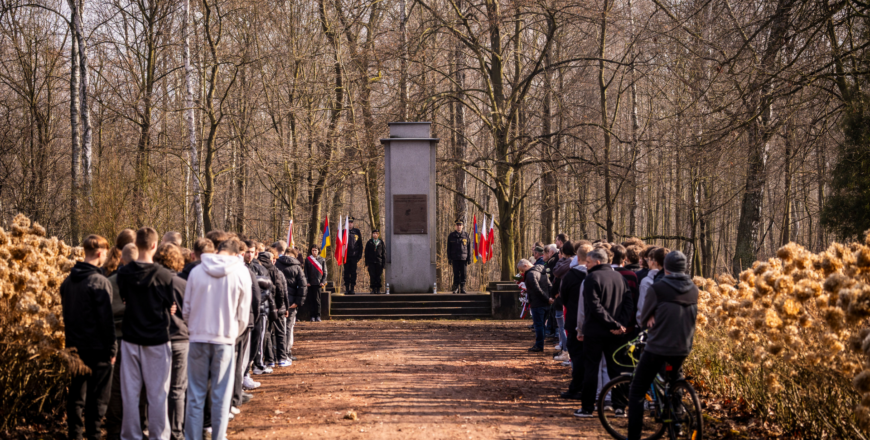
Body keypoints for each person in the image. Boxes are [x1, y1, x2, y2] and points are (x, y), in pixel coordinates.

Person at [183, 235, 252, 440]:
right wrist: (232, 333)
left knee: (195, 394)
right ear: (236, 254)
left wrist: (194, 328)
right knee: (221, 395)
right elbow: (243, 313)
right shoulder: (241, 273)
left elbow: (186, 309)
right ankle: (218, 436)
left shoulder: (196, 271)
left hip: (197, 338)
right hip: (225, 338)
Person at [627, 251, 698, 440]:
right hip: (683, 346)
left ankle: (634, 437)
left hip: (658, 346)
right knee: (675, 380)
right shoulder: (693, 289)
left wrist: (651, 315)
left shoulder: (658, 288)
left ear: (665, 267)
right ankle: (678, 422)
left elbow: (643, 317)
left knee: (637, 390)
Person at [117, 227, 176, 440]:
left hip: (131, 337)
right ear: (154, 246)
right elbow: (170, 304)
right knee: (158, 393)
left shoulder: (123, 273)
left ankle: (131, 436)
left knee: (130, 393)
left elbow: (125, 298)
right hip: (157, 339)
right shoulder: (164, 274)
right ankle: (158, 436)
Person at [61, 235, 115, 440]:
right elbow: (106, 320)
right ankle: (93, 436)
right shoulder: (99, 282)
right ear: (100, 253)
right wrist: (112, 349)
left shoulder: (68, 282)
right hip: (98, 350)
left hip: (74, 348)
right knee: (97, 399)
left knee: (76, 397)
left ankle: (74, 435)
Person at [574, 248, 635, 418]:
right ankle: (620, 406)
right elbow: (628, 304)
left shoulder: (591, 278)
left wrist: (614, 323)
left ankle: (587, 407)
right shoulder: (620, 278)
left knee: (591, 368)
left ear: (598, 262)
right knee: (616, 368)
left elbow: (594, 306)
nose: (586, 265)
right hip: (615, 332)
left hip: (595, 331)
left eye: (588, 262)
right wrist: (620, 324)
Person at [104, 244, 144, 440]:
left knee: (116, 388)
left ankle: (114, 430)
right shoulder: (144, 280)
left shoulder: (109, 282)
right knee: (140, 386)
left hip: (115, 338)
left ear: (121, 259)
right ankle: (139, 427)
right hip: (137, 338)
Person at [153, 243, 189, 440]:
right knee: (178, 388)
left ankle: (159, 430)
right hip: (181, 338)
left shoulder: (152, 282)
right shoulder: (183, 283)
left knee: (158, 388)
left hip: (159, 339)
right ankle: (176, 432)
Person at [558, 243, 591, 400]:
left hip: (573, 319)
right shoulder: (595, 275)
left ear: (577, 258)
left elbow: (563, 296)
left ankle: (577, 387)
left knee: (577, 356)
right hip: (593, 322)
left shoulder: (570, 276)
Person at [259, 248, 289, 366]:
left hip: (265, 307)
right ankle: (282, 358)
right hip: (277, 307)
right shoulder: (277, 272)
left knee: (268, 333)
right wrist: (282, 306)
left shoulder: (259, 271)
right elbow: (282, 291)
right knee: (280, 332)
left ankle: (269, 359)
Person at [277, 247, 306, 361]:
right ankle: (287, 351)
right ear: (294, 256)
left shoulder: (276, 265)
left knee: (279, 328)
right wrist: (298, 302)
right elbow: (303, 286)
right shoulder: (297, 268)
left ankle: (279, 352)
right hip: (291, 302)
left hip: (279, 302)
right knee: (289, 327)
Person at [518, 258, 551, 352]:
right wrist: (550, 298)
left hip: (538, 303)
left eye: (522, 270)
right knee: (542, 324)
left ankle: (539, 345)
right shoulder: (542, 271)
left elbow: (536, 289)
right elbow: (549, 285)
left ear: (525, 265)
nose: (522, 272)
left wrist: (547, 298)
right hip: (545, 303)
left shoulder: (530, 274)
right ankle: (540, 343)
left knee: (539, 325)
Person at [551, 242, 574, 360]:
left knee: (563, 327)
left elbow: (557, 275)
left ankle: (566, 351)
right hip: (563, 298)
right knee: (563, 327)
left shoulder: (568, 263)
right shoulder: (570, 263)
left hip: (565, 299)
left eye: (560, 252)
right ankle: (564, 349)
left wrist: (561, 259)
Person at [447, 220, 472, 294]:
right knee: (456, 274)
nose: (459, 226)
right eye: (457, 225)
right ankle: (456, 288)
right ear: (455, 226)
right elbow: (449, 248)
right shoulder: (451, 236)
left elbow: (469, 248)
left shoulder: (466, 235)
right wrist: (449, 258)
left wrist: (469, 258)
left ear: (462, 226)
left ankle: (463, 288)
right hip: (455, 258)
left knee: (464, 274)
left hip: (463, 259)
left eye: (460, 225)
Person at [304, 245, 327, 319]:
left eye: (315, 250)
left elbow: (325, 272)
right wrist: (307, 281)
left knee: (317, 300)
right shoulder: (308, 260)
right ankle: (312, 316)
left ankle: (318, 315)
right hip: (310, 283)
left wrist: (323, 281)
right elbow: (306, 272)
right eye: (313, 250)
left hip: (318, 283)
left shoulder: (322, 260)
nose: (314, 252)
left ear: (318, 251)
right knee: (311, 300)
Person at [343, 218, 363, 295]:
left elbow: (360, 244)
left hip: (354, 256)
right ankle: (347, 288)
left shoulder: (357, 232)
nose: (350, 224)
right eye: (348, 222)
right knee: (346, 272)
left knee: (353, 272)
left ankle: (352, 288)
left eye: (351, 222)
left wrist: (359, 255)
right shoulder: (343, 232)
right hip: (346, 256)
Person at [364, 230, 386, 294]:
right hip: (371, 262)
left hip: (379, 261)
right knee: (372, 276)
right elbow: (366, 253)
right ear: (372, 234)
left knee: (378, 276)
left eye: (376, 233)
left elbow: (384, 253)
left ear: (378, 235)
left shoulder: (381, 242)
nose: (375, 234)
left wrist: (383, 264)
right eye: (374, 233)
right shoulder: (369, 242)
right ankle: (373, 289)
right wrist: (367, 263)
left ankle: (378, 289)